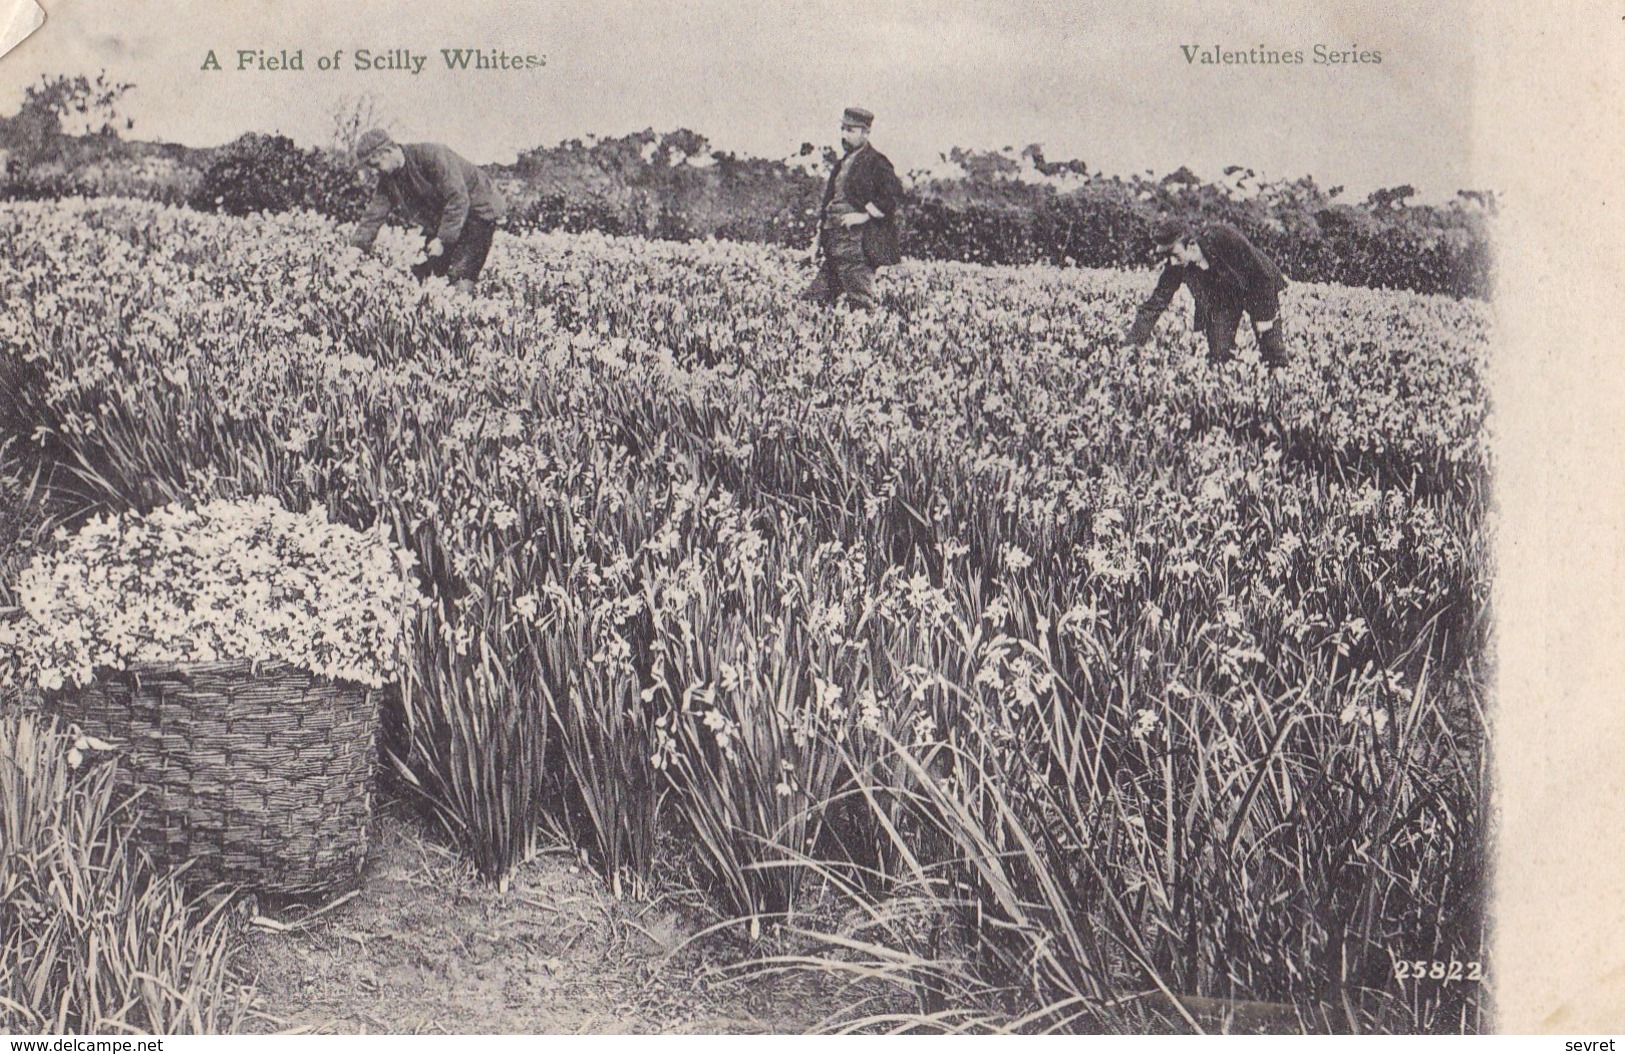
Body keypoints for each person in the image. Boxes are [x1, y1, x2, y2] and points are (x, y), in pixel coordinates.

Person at [348, 129, 506, 294]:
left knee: (461, 272)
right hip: (449, 218)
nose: (374, 171)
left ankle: (464, 308)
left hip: (479, 211)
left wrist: (442, 239)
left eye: (374, 165)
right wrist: (356, 247)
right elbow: (374, 214)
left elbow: (458, 198)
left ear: (387, 151)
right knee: (432, 271)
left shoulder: (431, 155)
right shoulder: (389, 180)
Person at [1124, 218, 1290, 367]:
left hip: (1256, 287)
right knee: (1218, 354)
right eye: (1167, 256)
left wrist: (1264, 317)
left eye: (1174, 254)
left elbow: (1261, 275)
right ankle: (1228, 387)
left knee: (1271, 345)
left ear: (1191, 245)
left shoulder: (1223, 237)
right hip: (1223, 298)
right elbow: (1155, 304)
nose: (1171, 261)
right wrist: (1132, 344)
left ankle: (1279, 382)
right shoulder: (1176, 266)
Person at [802, 106, 903, 310]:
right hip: (834, 246)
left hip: (857, 248)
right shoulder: (842, 164)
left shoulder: (876, 161)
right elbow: (828, 207)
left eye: (851, 130)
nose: (844, 135)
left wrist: (864, 216)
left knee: (861, 304)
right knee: (811, 303)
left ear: (866, 133)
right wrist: (817, 243)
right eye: (843, 129)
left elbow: (893, 197)